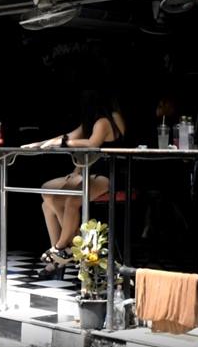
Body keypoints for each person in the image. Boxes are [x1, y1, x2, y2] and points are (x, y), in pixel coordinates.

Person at [21, 90, 125, 280]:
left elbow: (92, 144)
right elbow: (67, 136)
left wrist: (62, 143)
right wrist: (39, 143)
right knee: (47, 195)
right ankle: (65, 253)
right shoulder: (90, 123)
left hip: (107, 174)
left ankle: (61, 248)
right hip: (86, 172)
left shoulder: (105, 121)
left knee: (71, 200)